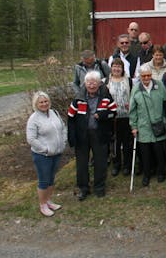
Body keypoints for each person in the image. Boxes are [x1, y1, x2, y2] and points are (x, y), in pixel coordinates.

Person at [67, 71, 117, 200]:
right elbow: (70, 117)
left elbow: (113, 113)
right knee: (82, 164)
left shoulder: (106, 96)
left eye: (94, 82)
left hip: (99, 134)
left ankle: (99, 187)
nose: (91, 85)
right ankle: (83, 188)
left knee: (100, 162)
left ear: (99, 83)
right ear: (85, 83)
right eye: (89, 82)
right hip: (82, 135)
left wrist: (103, 115)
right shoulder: (78, 98)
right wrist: (71, 137)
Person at [26, 91, 67, 217]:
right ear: (36, 104)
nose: (44, 104)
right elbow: (31, 139)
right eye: (41, 102)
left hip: (57, 153)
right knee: (44, 180)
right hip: (43, 155)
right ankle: (43, 204)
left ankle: (48, 200)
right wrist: (46, 149)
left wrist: (64, 141)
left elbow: (63, 127)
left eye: (46, 101)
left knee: (51, 179)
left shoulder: (54, 113)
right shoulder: (34, 119)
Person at [129, 63, 166, 187]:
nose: (146, 78)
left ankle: (161, 172)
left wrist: (164, 119)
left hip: (158, 124)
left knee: (159, 151)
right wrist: (133, 126)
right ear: (140, 76)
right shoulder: (136, 88)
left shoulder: (159, 85)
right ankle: (146, 174)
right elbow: (132, 109)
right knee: (145, 153)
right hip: (143, 126)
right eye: (143, 76)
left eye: (148, 75)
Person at [106, 58, 133, 177]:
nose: (116, 69)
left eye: (119, 67)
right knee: (115, 142)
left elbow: (133, 95)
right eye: (114, 66)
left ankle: (127, 165)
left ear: (122, 69)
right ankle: (116, 164)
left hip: (126, 116)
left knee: (127, 142)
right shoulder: (106, 81)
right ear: (111, 68)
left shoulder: (129, 80)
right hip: (112, 117)